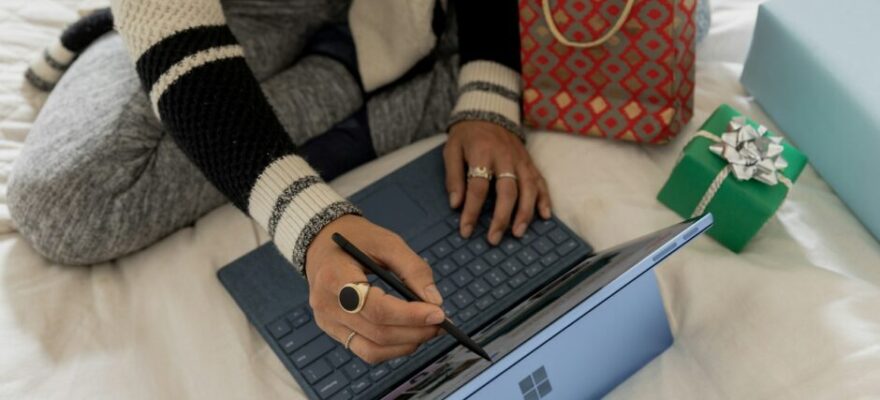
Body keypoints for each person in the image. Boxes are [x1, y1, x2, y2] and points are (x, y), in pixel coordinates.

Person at [12, 0, 711, 365]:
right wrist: (314, 225)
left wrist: (490, 98)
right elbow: (177, 37)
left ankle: (386, 64)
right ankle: (366, 76)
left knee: (682, 22)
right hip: (234, 14)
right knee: (64, 204)